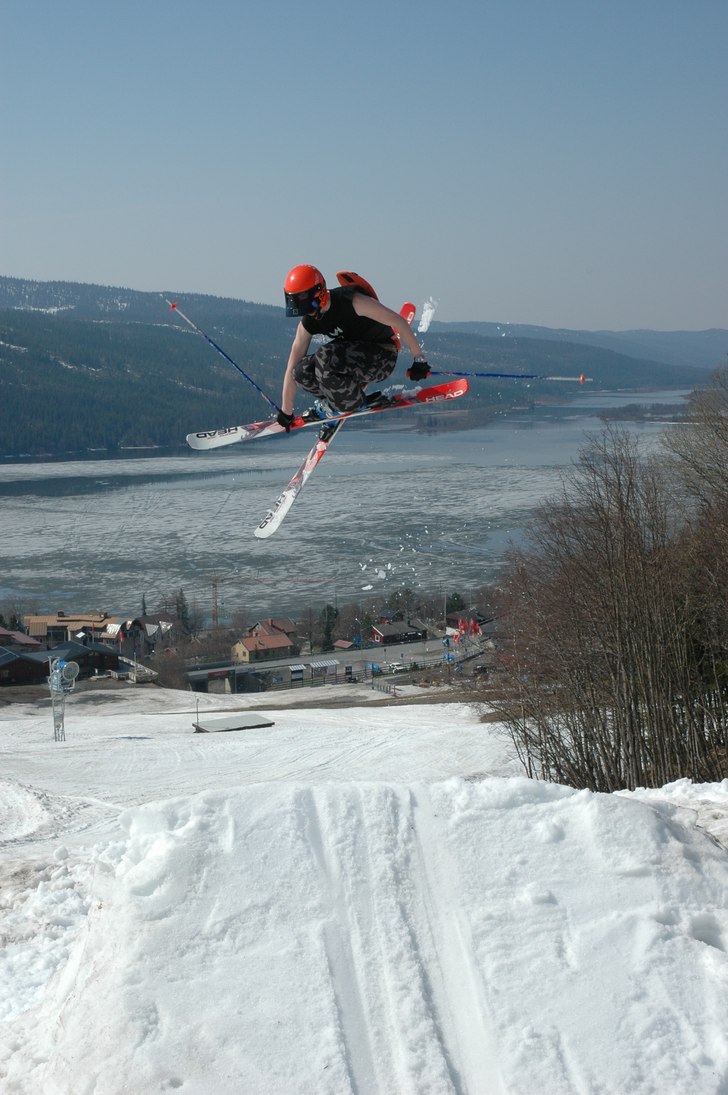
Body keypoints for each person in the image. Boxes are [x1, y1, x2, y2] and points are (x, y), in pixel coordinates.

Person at [277, 265, 431, 431]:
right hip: (354, 365)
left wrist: (419, 360)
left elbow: (398, 321)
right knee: (301, 371)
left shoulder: (352, 301)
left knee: (325, 356)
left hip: (382, 357)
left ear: (318, 293)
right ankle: (339, 401)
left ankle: (346, 404)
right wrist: (286, 411)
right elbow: (292, 367)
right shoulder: (309, 321)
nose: (307, 313)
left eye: (308, 305)